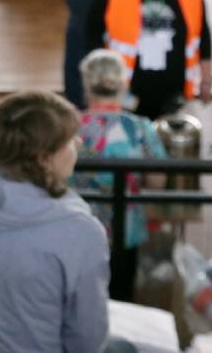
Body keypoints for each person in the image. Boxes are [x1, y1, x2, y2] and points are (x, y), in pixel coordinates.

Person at [0, 91, 134, 353]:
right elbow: (87, 341)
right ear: (44, 159)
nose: (79, 143)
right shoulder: (82, 231)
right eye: (69, 139)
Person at [74, 50, 168, 303]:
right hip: (125, 230)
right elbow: (157, 182)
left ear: (86, 85)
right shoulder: (140, 128)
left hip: (77, 229)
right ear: (124, 84)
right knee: (121, 299)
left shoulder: (69, 127)